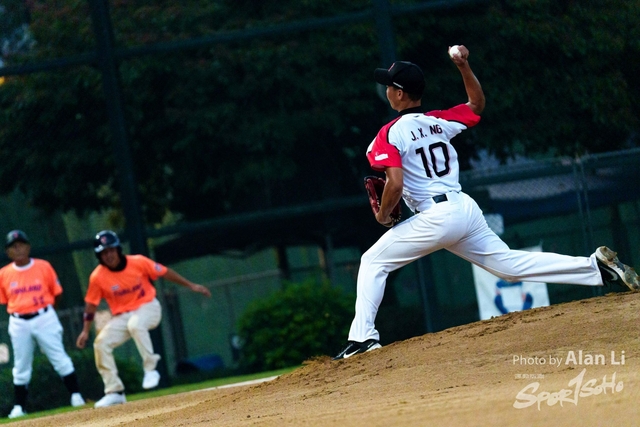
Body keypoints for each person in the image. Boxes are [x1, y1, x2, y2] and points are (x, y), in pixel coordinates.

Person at [333, 46, 640, 360]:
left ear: (399, 94)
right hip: (464, 209)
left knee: (373, 261)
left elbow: (395, 183)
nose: (386, 90)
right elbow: (476, 105)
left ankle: (363, 339)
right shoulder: (439, 121)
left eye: (389, 86)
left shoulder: (388, 134)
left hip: (437, 216)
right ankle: (596, 268)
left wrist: (384, 214)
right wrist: (464, 66)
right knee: (508, 266)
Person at [75, 230, 211, 408]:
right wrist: (85, 331)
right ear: (99, 256)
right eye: (104, 253)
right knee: (101, 343)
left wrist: (191, 285)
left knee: (136, 324)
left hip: (148, 307)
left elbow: (164, 272)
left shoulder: (138, 262)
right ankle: (114, 391)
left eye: (111, 250)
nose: (108, 255)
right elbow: (91, 305)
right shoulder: (97, 277)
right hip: (122, 316)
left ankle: (150, 369)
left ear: (118, 249)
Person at [0, 230, 85, 418]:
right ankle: (19, 407)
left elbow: (57, 293)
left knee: (59, 356)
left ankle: (76, 396)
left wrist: (45, 311)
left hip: (44, 316)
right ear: (8, 252)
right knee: (21, 365)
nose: (18, 248)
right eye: (14, 246)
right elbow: (5, 300)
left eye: (21, 244)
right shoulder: (4, 274)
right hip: (19, 321)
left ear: (28, 247)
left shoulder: (43, 266)